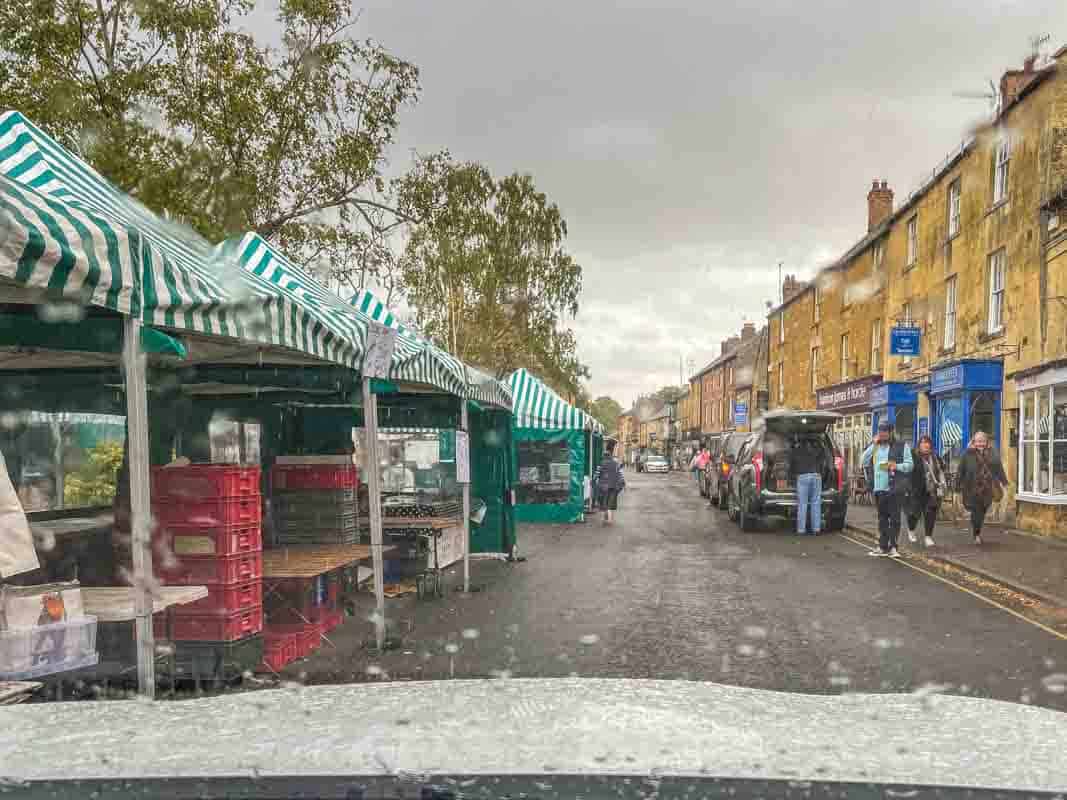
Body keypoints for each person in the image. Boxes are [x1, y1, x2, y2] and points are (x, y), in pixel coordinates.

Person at [861, 420, 913, 557]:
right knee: (882, 519)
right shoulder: (876, 447)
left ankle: (894, 547)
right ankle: (882, 546)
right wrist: (873, 444)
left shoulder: (902, 446)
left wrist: (896, 466)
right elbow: (863, 460)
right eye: (880, 432)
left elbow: (910, 465)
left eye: (884, 432)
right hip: (879, 488)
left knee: (895, 519)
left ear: (891, 432)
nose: (882, 434)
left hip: (895, 487)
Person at [957, 430, 1008, 545]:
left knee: (983, 510)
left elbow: (999, 468)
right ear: (973, 442)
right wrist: (957, 487)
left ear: (987, 442)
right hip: (972, 488)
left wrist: (1004, 482)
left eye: (983, 441)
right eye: (978, 441)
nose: (980, 444)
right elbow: (961, 470)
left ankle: (977, 530)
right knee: (976, 512)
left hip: (987, 488)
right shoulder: (967, 454)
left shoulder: (993, 453)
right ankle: (976, 535)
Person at [906, 434, 947, 547]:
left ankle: (928, 537)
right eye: (923, 443)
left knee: (930, 514)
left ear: (930, 446)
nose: (925, 446)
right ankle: (911, 530)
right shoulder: (913, 456)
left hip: (932, 491)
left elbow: (942, 468)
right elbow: (907, 470)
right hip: (916, 490)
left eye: (927, 444)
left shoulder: (935, 457)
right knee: (914, 514)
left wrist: (941, 466)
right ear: (919, 445)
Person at [790, 437, 822, 535]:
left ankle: (801, 530)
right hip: (816, 475)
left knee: (802, 504)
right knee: (816, 502)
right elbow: (822, 459)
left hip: (802, 476)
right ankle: (816, 529)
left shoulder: (795, 451)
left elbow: (792, 466)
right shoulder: (816, 449)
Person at [595, 441, 626, 524]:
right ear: (611, 456)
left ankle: (606, 518)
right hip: (614, 486)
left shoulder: (601, 464)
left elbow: (597, 475)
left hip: (603, 486)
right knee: (610, 503)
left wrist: (594, 481)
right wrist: (623, 483)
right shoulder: (615, 464)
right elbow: (620, 474)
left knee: (604, 502)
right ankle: (609, 519)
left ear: (604, 456)